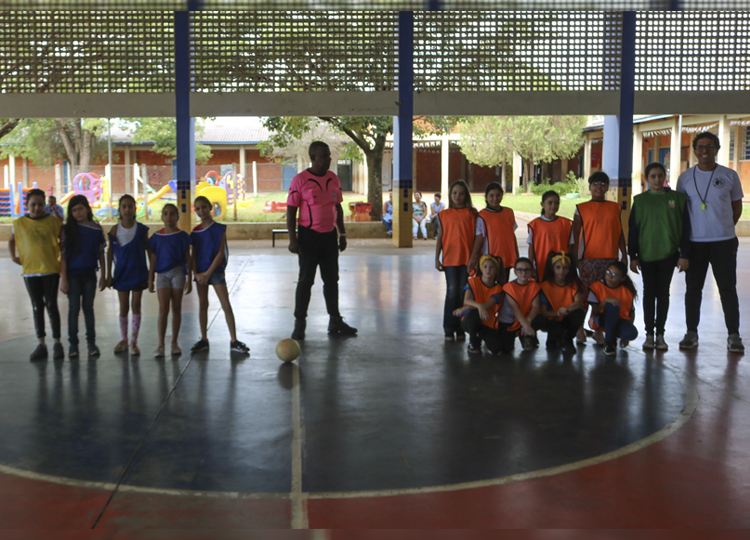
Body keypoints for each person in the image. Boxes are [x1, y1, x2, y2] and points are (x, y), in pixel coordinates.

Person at [676, 132, 744, 353]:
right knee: (693, 290)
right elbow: (681, 212)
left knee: (727, 289)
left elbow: (736, 207)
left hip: (724, 243)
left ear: (717, 149)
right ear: (695, 150)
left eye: (710, 146)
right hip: (695, 244)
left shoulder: (729, 175)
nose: (705, 150)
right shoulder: (685, 178)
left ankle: (733, 334)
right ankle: (691, 333)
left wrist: (724, 228)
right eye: (701, 146)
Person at [287, 141, 357, 341]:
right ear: (313, 158)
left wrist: (342, 234)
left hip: (329, 237)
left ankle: (335, 320)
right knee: (305, 281)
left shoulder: (333, 178)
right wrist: (293, 239)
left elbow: (338, 207)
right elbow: (291, 212)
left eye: (328, 155)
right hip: (308, 237)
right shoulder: (300, 180)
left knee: (332, 280)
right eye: (324, 155)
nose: (329, 159)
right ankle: (300, 323)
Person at [629, 162, 691, 351]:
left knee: (663, 293)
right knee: (649, 293)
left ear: (665, 177)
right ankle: (649, 334)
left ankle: (661, 335)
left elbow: (686, 229)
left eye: (660, 175)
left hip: (668, 254)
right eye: (652, 176)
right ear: (646, 179)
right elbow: (633, 230)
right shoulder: (640, 200)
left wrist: (684, 254)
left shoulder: (678, 199)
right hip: (646, 254)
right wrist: (633, 255)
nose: (657, 179)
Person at [8, 189, 64, 361]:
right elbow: (11, 240)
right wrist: (14, 257)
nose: (37, 208)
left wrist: (62, 267)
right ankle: (41, 344)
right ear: (27, 205)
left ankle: (57, 343)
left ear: (44, 204)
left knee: (51, 305)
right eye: (33, 204)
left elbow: (62, 243)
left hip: (50, 270)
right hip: (30, 272)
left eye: (40, 204)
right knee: (37, 306)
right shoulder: (19, 223)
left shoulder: (53, 222)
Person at [190, 195, 250, 355]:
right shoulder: (195, 232)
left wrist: (208, 273)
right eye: (198, 208)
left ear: (210, 207)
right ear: (195, 211)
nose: (201, 210)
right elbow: (193, 254)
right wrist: (196, 273)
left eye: (204, 207)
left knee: (225, 304)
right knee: (203, 304)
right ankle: (203, 339)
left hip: (214, 271)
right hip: (201, 273)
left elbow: (220, 253)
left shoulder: (219, 229)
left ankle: (234, 340)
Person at [572, 171, 627, 343]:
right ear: (589, 187)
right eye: (595, 184)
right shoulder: (581, 208)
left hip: (610, 260)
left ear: (607, 188)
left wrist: (624, 254)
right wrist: (576, 260)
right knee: (585, 296)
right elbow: (574, 236)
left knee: (605, 297)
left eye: (603, 184)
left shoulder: (615, 207)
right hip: (588, 259)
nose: (599, 187)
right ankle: (579, 328)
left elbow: (619, 233)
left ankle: (598, 330)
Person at [59, 195, 106, 358]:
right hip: (72, 276)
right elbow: (63, 255)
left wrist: (104, 275)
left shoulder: (96, 229)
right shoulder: (67, 230)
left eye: (80, 208)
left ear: (87, 208)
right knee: (73, 309)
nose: (77, 213)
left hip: (89, 275)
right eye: (73, 210)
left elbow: (101, 253)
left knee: (88, 308)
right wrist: (63, 278)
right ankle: (73, 345)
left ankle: (91, 343)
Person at [107, 194, 150, 356]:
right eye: (124, 206)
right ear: (119, 209)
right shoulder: (114, 230)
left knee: (136, 305)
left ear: (135, 209)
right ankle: (124, 339)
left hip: (138, 273)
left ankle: (134, 341)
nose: (127, 210)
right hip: (122, 275)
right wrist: (108, 275)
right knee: (123, 307)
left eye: (130, 206)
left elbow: (149, 250)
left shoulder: (141, 229)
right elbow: (110, 253)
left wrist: (151, 274)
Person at [435, 180, 477, 341]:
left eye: (461, 193)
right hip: (450, 259)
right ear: (450, 195)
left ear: (466, 195)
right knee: (452, 292)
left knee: (463, 293)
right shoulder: (444, 215)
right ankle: (448, 328)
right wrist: (437, 257)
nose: (457, 196)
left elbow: (477, 237)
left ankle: (461, 327)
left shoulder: (472, 213)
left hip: (467, 259)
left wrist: (475, 258)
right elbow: (440, 237)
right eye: (454, 193)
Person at [148, 204, 192, 357]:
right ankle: (160, 344)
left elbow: (188, 258)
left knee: (176, 307)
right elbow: (153, 258)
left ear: (177, 217)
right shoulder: (156, 237)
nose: (169, 217)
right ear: (162, 216)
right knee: (163, 309)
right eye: (166, 214)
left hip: (178, 273)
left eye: (172, 214)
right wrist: (150, 278)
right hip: (162, 275)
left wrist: (189, 278)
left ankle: (174, 342)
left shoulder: (182, 236)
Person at [532, 251, 586, 352]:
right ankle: (553, 338)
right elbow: (543, 312)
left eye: (565, 268)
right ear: (552, 268)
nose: (562, 271)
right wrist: (557, 313)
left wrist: (567, 309)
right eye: (558, 267)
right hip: (552, 319)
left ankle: (568, 338)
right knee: (552, 330)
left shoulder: (573, 284)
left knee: (579, 312)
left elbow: (579, 302)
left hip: (566, 316)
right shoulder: (545, 286)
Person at [453, 254, 505, 355]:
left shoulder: (497, 289)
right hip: (469, 319)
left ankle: (478, 334)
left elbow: (487, 305)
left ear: (496, 270)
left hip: (485, 321)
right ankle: (474, 343)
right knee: (475, 313)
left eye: (491, 267)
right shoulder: (473, 282)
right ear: (481, 269)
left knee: (496, 348)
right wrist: (478, 306)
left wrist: (466, 308)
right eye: (485, 267)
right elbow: (467, 300)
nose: (488, 270)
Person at [469, 182, 518, 282]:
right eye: (491, 195)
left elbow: (512, 235)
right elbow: (479, 237)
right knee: (490, 287)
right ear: (486, 197)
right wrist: (472, 258)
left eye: (498, 195)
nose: (495, 198)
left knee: (503, 286)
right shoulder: (483, 215)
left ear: (502, 196)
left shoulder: (509, 212)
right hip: (490, 259)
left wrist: (516, 256)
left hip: (506, 258)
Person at [587, 261, 638, 356]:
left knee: (631, 333)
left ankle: (612, 335)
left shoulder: (627, 291)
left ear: (623, 278)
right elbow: (595, 311)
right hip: (600, 319)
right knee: (613, 305)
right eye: (608, 273)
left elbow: (631, 312)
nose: (609, 277)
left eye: (614, 275)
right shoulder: (596, 286)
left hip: (618, 319)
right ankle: (609, 342)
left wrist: (625, 338)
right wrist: (605, 301)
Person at [527, 190, 574, 282]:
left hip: (561, 265)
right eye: (550, 203)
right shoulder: (535, 224)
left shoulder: (566, 223)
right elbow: (531, 247)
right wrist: (531, 265)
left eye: (556, 203)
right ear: (542, 204)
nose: (553, 206)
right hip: (542, 263)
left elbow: (571, 246)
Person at [502, 257, 542, 351]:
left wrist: (528, 321)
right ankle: (524, 332)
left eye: (527, 270)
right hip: (509, 321)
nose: (523, 273)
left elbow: (535, 307)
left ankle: (527, 337)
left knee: (540, 318)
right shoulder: (509, 287)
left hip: (526, 318)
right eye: (520, 270)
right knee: (506, 349)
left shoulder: (534, 286)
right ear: (515, 272)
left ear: (531, 271)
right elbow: (515, 309)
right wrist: (527, 326)